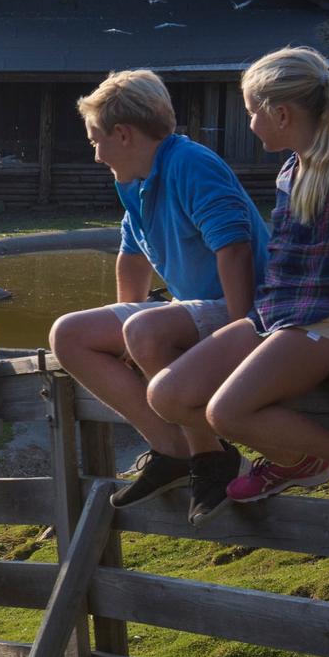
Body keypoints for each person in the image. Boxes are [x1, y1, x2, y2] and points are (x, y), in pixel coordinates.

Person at [145, 46, 329, 515]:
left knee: (226, 412)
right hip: (277, 315)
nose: (249, 123)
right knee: (168, 395)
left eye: (251, 112)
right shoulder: (291, 169)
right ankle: (294, 462)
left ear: (281, 114)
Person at [46, 69, 270, 523]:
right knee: (68, 334)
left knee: (145, 330)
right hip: (196, 308)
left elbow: (234, 247)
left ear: (123, 134)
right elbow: (132, 257)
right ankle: (172, 450)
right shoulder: (134, 180)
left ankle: (212, 456)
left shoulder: (190, 163)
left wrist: (238, 329)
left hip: (249, 307)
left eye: (96, 141)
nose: (96, 155)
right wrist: (123, 330)